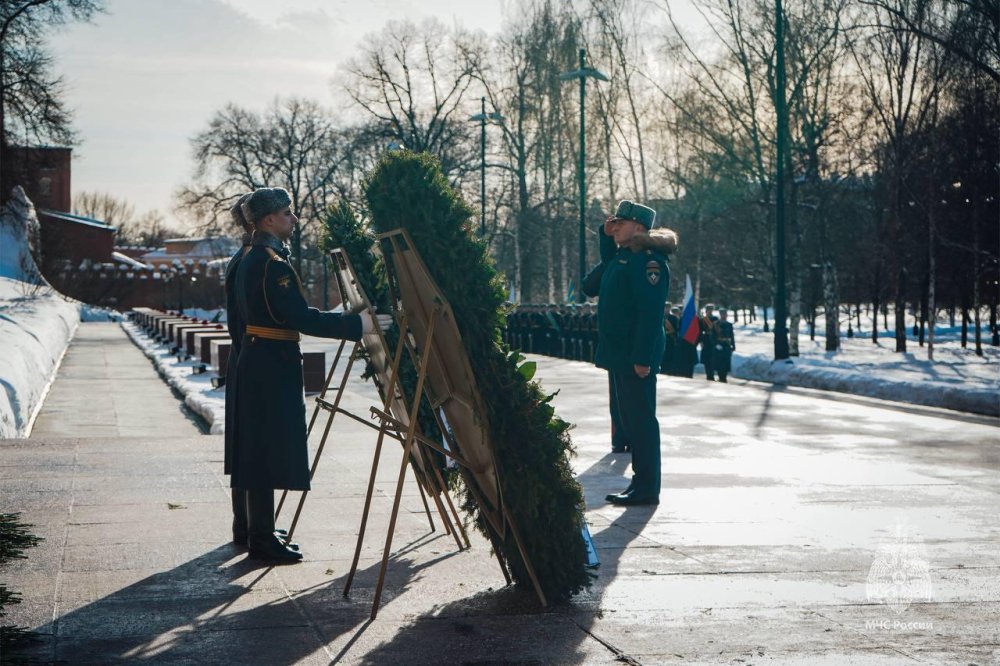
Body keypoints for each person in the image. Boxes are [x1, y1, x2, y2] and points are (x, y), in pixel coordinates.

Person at [230, 187, 389, 562]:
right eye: (287, 213)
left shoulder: (247, 258)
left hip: (256, 360)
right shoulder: (272, 263)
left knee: (256, 448)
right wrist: (357, 325)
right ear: (268, 220)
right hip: (271, 364)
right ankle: (262, 539)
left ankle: (255, 527)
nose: (294, 218)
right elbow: (300, 318)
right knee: (267, 449)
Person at [584, 199, 677, 506]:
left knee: (641, 421)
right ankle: (640, 483)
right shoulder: (625, 258)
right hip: (619, 354)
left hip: (633, 356)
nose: (615, 227)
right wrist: (604, 235)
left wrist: (642, 358)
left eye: (620, 223)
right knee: (630, 420)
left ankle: (648, 487)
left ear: (638, 227)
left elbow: (650, 315)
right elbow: (590, 286)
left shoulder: (649, 263)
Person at [712, 308, 736, 383]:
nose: (724, 315)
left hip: (726, 345)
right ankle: (720, 376)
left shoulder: (729, 324)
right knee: (720, 363)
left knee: (726, 362)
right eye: (722, 314)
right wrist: (716, 344)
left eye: (725, 314)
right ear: (720, 314)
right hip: (719, 345)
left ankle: (724, 377)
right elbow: (713, 336)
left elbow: (731, 336)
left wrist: (733, 345)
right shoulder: (716, 324)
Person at [699, 304, 719, 380]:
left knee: (713, 358)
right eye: (709, 310)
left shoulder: (715, 318)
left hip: (713, 340)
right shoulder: (703, 319)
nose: (710, 311)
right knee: (706, 359)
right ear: (706, 310)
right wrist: (701, 341)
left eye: (711, 310)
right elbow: (700, 331)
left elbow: (717, 331)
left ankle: (712, 374)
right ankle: (708, 374)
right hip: (705, 340)